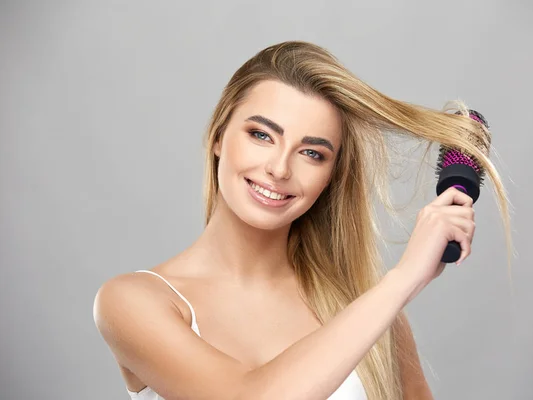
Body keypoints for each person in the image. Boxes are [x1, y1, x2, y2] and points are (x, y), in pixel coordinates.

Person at [93, 40, 511, 400]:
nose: (279, 168)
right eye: (261, 134)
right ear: (218, 136)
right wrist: (403, 281)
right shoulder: (133, 303)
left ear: (330, 176)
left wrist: (391, 296)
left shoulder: (365, 311)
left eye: (312, 153)